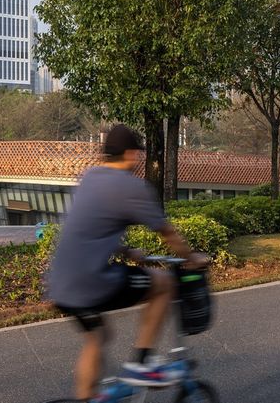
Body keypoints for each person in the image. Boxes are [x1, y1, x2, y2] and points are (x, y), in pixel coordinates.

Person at [45, 124, 211, 401]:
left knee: (97, 337)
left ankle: (87, 399)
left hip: (60, 284)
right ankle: (141, 363)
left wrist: (127, 250)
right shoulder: (131, 186)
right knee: (163, 283)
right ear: (132, 154)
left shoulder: (90, 177)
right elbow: (168, 233)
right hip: (91, 281)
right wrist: (191, 258)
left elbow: (92, 229)